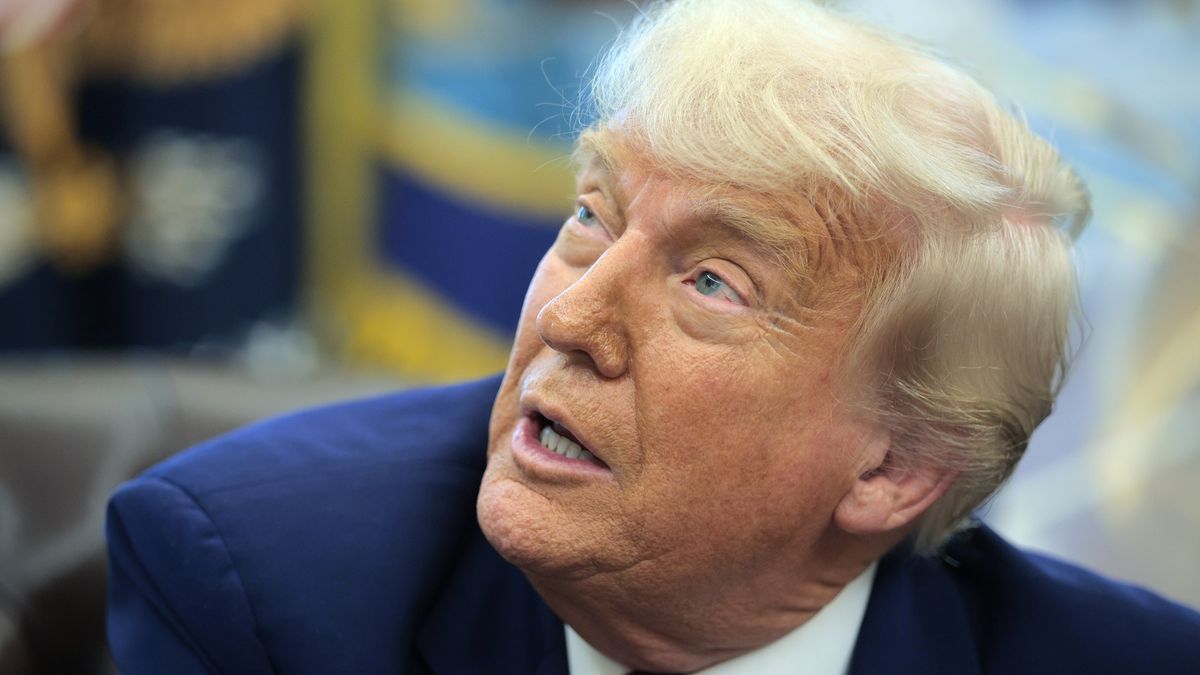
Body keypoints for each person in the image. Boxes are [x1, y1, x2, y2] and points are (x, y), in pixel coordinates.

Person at [105, 1, 1200, 673]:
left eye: (714, 282)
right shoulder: (257, 585)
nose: (566, 320)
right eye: (594, 217)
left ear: (895, 469)